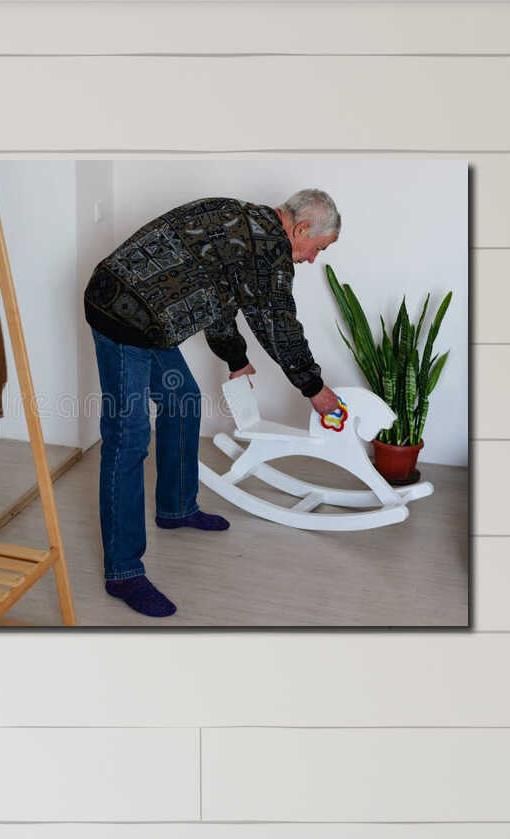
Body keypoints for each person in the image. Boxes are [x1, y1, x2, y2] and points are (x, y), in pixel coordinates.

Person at [82, 189, 342, 618]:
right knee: (127, 439)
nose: (313, 259)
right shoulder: (268, 250)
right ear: (300, 230)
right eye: (318, 248)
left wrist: (236, 360)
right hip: (122, 315)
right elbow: (279, 324)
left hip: (147, 313)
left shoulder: (240, 223)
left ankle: (176, 507)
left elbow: (215, 298)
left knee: (182, 400)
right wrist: (313, 388)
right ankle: (123, 573)